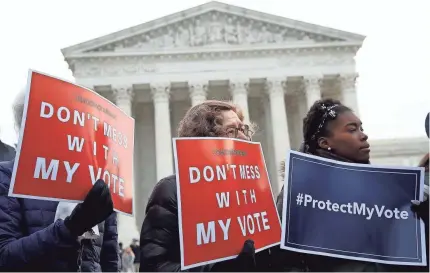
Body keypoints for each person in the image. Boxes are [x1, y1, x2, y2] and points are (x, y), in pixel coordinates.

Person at [272, 99, 428, 271]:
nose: (363, 135)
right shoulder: (299, 193)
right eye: (352, 130)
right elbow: (284, 262)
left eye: (361, 128)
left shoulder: (384, 188)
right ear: (325, 143)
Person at [0, 90, 119, 271]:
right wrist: (69, 228)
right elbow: (5, 257)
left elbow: (109, 260)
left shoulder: (93, 182)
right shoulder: (7, 176)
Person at [139, 100, 258, 272]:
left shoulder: (253, 193)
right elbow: (154, 267)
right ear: (205, 139)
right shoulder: (172, 192)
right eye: (231, 130)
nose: (243, 137)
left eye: (243, 129)